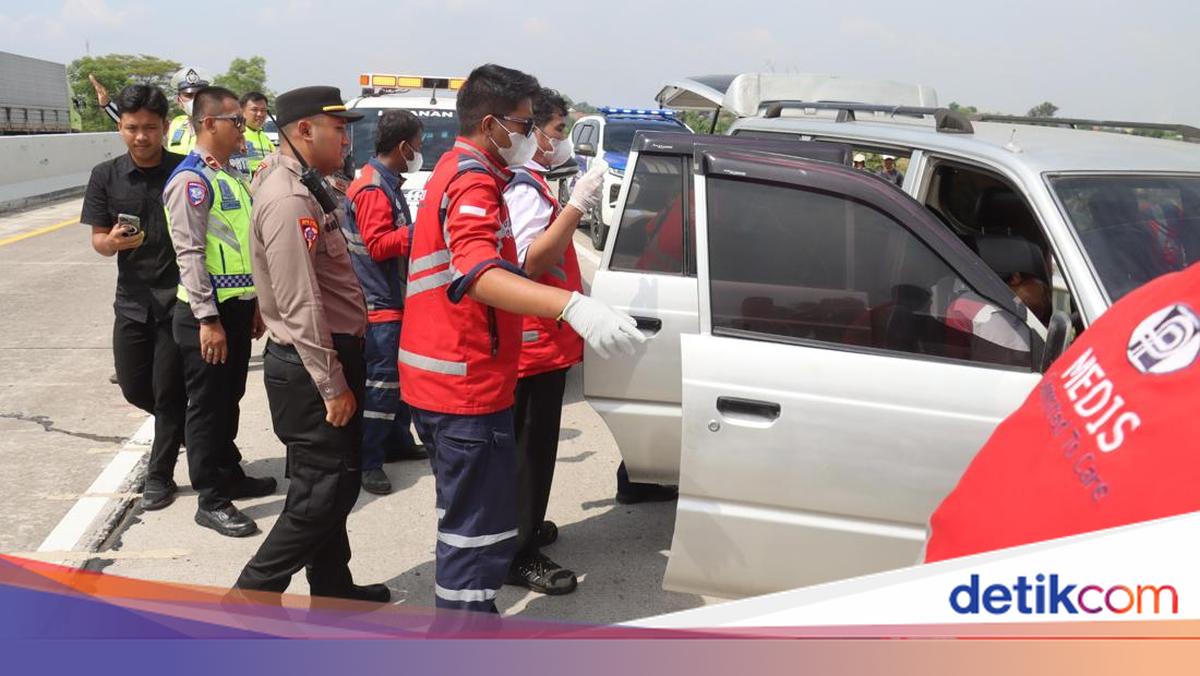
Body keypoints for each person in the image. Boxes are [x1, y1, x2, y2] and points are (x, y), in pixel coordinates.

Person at [399, 63, 644, 616]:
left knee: (475, 527)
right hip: (463, 383)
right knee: (473, 535)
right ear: (491, 124)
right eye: (526, 125)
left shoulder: (465, 170)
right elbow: (479, 273)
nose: (533, 136)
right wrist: (571, 305)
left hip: (452, 375)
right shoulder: (472, 181)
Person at [233, 86, 389, 604]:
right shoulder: (289, 198)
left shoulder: (304, 183)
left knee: (331, 487)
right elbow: (299, 302)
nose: (346, 140)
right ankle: (248, 600)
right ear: (304, 130)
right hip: (312, 365)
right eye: (338, 129)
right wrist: (331, 383)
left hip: (324, 356)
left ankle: (332, 590)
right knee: (320, 496)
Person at [501, 88, 607, 596]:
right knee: (531, 451)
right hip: (532, 342)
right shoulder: (523, 187)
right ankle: (517, 553)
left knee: (531, 447)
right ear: (535, 134)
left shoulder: (533, 183)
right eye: (558, 130)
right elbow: (529, 262)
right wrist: (576, 208)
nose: (564, 140)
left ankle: (521, 526)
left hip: (541, 340)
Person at [164, 86, 275, 538]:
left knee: (229, 398)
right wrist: (208, 319)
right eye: (236, 121)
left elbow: (244, 248)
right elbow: (190, 254)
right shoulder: (192, 181)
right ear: (209, 123)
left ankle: (229, 473)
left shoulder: (227, 175)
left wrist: (255, 303)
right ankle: (210, 498)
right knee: (208, 408)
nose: (244, 128)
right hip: (206, 316)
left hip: (236, 308)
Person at [81, 84, 187, 511]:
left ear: (165, 126)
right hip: (132, 301)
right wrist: (111, 243)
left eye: (149, 128)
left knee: (168, 392)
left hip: (179, 300)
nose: (141, 137)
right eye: (131, 128)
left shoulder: (186, 171)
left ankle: (159, 477)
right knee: (133, 387)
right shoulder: (105, 175)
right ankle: (187, 428)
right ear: (120, 128)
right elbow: (98, 241)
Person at [343, 109, 429, 496]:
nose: (420, 152)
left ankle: (397, 441)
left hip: (395, 298)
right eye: (419, 145)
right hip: (380, 303)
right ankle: (370, 462)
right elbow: (378, 245)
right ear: (404, 146)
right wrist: (421, 230)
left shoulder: (387, 182)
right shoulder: (373, 189)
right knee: (382, 385)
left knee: (399, 380)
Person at [166, 67, 210, 154]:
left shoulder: (220, 126)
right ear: (179, 101)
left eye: (200, 95)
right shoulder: (177, 124)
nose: (195, 100)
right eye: (189, 95)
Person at [230, 92, 273, 179]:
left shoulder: (265, 138)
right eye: (254, 110)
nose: (260, 114)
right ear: (241, 111)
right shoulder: (236, 135)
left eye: (263, 110)